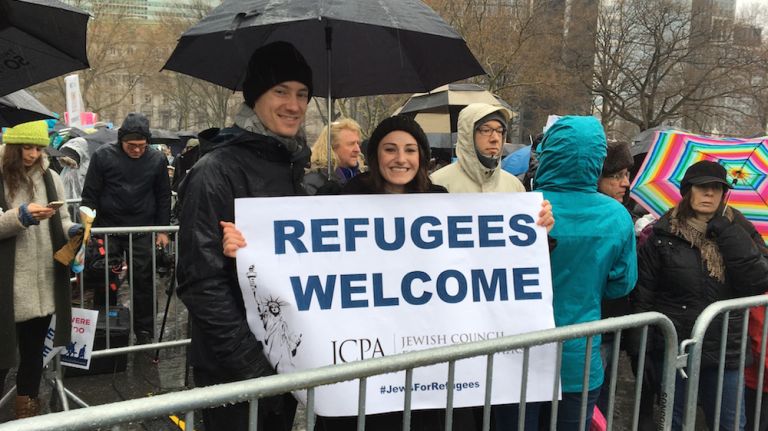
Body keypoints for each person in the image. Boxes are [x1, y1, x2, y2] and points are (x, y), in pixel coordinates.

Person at [176, 40, 313, 431]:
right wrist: (254, 365)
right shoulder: (214, 171)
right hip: (235, 369)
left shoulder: (291, 166)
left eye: (302, 94)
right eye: (281, 92)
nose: (294, 105)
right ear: (255, 98)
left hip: (282, 361)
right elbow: (201, 282)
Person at [495, 116, 638, 430]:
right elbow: (620, 286)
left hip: (517, 356)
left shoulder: (519, 207)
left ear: (549, 153)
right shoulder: (616, 216)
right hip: (580, 357)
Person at [632, 160, 768, 431]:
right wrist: (640, 351)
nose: (709, 194)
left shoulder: (738, 227)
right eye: (702, 187)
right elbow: (643, 296)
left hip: (725, 350)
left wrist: (728, 234)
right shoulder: (662, 234)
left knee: (730, 424)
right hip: (675, 349)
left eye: (716, 188)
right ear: (687, 191)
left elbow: (758, 280)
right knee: (674, 422)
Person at [0, 120, 77, 418]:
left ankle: (27, 410)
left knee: (33, 356)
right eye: (27, 148)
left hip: (43, 283)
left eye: (38, 148)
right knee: (2, 358)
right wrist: (20, 217)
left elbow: (64, 218)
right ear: (13, 147)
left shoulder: (51, 177)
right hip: (7, 287)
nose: (33, 154)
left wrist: (73, 231)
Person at [80, 112, 171, 344]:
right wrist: (87, 229)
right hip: (107, 228)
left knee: (143, 282)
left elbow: (163, 196)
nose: (137, 150)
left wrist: (163, 230)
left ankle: (144, 330)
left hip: (142, 230)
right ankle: (104, 327)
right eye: (132, 145)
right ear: (121, 140)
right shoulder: (103, 156)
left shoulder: (157, 159)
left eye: (142, 145)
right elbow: (90, 194)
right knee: (105, 279)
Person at [430, 103, 526, 193]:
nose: (495, 138)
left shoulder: (514, 186)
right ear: (467, 135)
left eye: (500, 131)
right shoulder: (437, 184)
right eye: (486, 130)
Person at [303, 118, 365, 195]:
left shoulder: (364, 178)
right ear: (332, 147)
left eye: (358, 143)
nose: (358, 150)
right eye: (351, 144)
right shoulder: (314, 181)